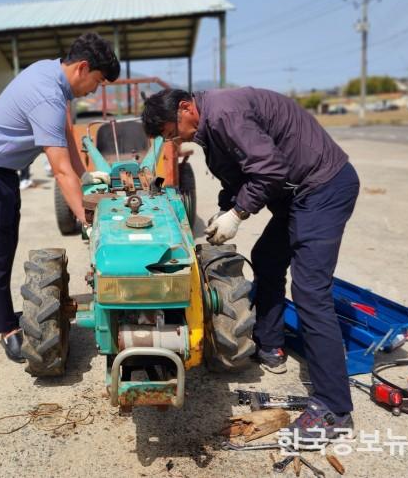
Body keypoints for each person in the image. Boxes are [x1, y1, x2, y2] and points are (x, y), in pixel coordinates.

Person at [141, 87, 360, 440]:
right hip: (297, 193)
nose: (176, 139)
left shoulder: (225, 113)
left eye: (172, 130)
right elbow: (240, 172)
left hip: (323, 188)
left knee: (311, 292)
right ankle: (270, 346)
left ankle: (334, 408)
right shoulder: (209, 122)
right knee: (267, 258)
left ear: (185, 107)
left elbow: (269, 170)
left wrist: (239, 214)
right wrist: (225, 207)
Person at [0, 32, 119, 363]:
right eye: (98, 82)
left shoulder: (52, 75)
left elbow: (67, 141)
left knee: (5, 244)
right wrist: (83, 217)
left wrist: (88, 179)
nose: (95, 90)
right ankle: (6, 329)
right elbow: (59, 171)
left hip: (0, 171)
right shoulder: (47, 95)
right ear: (83, 68)